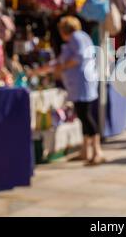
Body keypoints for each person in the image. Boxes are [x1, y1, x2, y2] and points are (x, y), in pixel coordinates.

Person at [40, 16, 104, 165]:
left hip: (81, 84)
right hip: (79, 84)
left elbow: (78, 58)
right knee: (83, 117)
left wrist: (60, 68)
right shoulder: (79, 38)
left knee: (86, 117)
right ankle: (86, 151)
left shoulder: (76, 37)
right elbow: (64, 58)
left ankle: (97, 151)